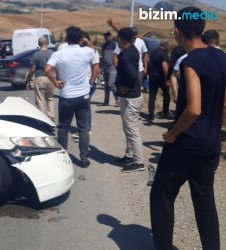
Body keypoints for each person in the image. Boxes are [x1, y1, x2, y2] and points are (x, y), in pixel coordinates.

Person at [150, 7, 226, 250]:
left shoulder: (190, 61)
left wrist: (172, 134)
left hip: (186, 143)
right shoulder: (223, 58)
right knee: (204, 201)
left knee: (161, 194)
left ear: (177, 31)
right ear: (202, 29)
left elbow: (193, 109)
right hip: (210, 144)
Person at [44, 26, 94, 168]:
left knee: (63, 128)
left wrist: (55, 82)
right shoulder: (87, 52)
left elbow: (47, 69)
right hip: (83, 96)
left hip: (66, 96)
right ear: (80, 38)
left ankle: (62, 158)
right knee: (83, 128)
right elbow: (93, 50)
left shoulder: (60, 53)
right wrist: (85, 40)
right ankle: (84, 159)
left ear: (67, 38)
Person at [114, 27, 145, 173]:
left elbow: (132, 76)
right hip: (133, 95)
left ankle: (138, 162)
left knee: (132, 130)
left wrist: (123, 88)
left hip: (130, 97)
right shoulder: (132, 49)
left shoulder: (126, 56)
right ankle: (130, 155)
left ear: (120, 39)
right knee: (128, 129)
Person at [109, 20, 149, 93]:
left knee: (136, 89)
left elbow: (145, 54)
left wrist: (145, 67)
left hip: (139, 69)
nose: (134, 36)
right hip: (126, 69)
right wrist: (118, 67)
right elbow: (115, 56)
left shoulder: (140, 42)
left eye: (135, 35)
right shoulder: (123, 43)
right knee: (126, 89)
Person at [28, 37, 55, 121]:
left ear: (39, 44)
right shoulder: (52, 53)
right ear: (47, 44)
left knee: (40, 100)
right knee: (50, 98)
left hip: (40, 78)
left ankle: (42, 119)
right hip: (51, 78)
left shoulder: (36, 55)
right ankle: (51, 117)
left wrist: (29, 77)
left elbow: (33, 69)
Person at [147, 40, 171, 121]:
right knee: (166, 95)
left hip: (153, 77)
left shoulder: (153, 52)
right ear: (166, 45)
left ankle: (151, 115)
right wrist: (168, 77)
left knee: (152, 96)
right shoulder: (164, 54)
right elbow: (164, 66)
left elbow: (148, 61)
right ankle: (165, 112)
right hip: (161, 78)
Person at [100, 31, 118, 106]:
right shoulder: (104, 46)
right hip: (105, 67)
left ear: (110, 36)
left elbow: (117, 55)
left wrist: (116, 65)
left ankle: (118, 99)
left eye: (107, 36)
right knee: (106, 86)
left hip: (112, 67)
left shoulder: (115, 44)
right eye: (105, 36)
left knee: (111, 84)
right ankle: (106, 101)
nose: (106, 37)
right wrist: (100, 66)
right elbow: (103, 56)